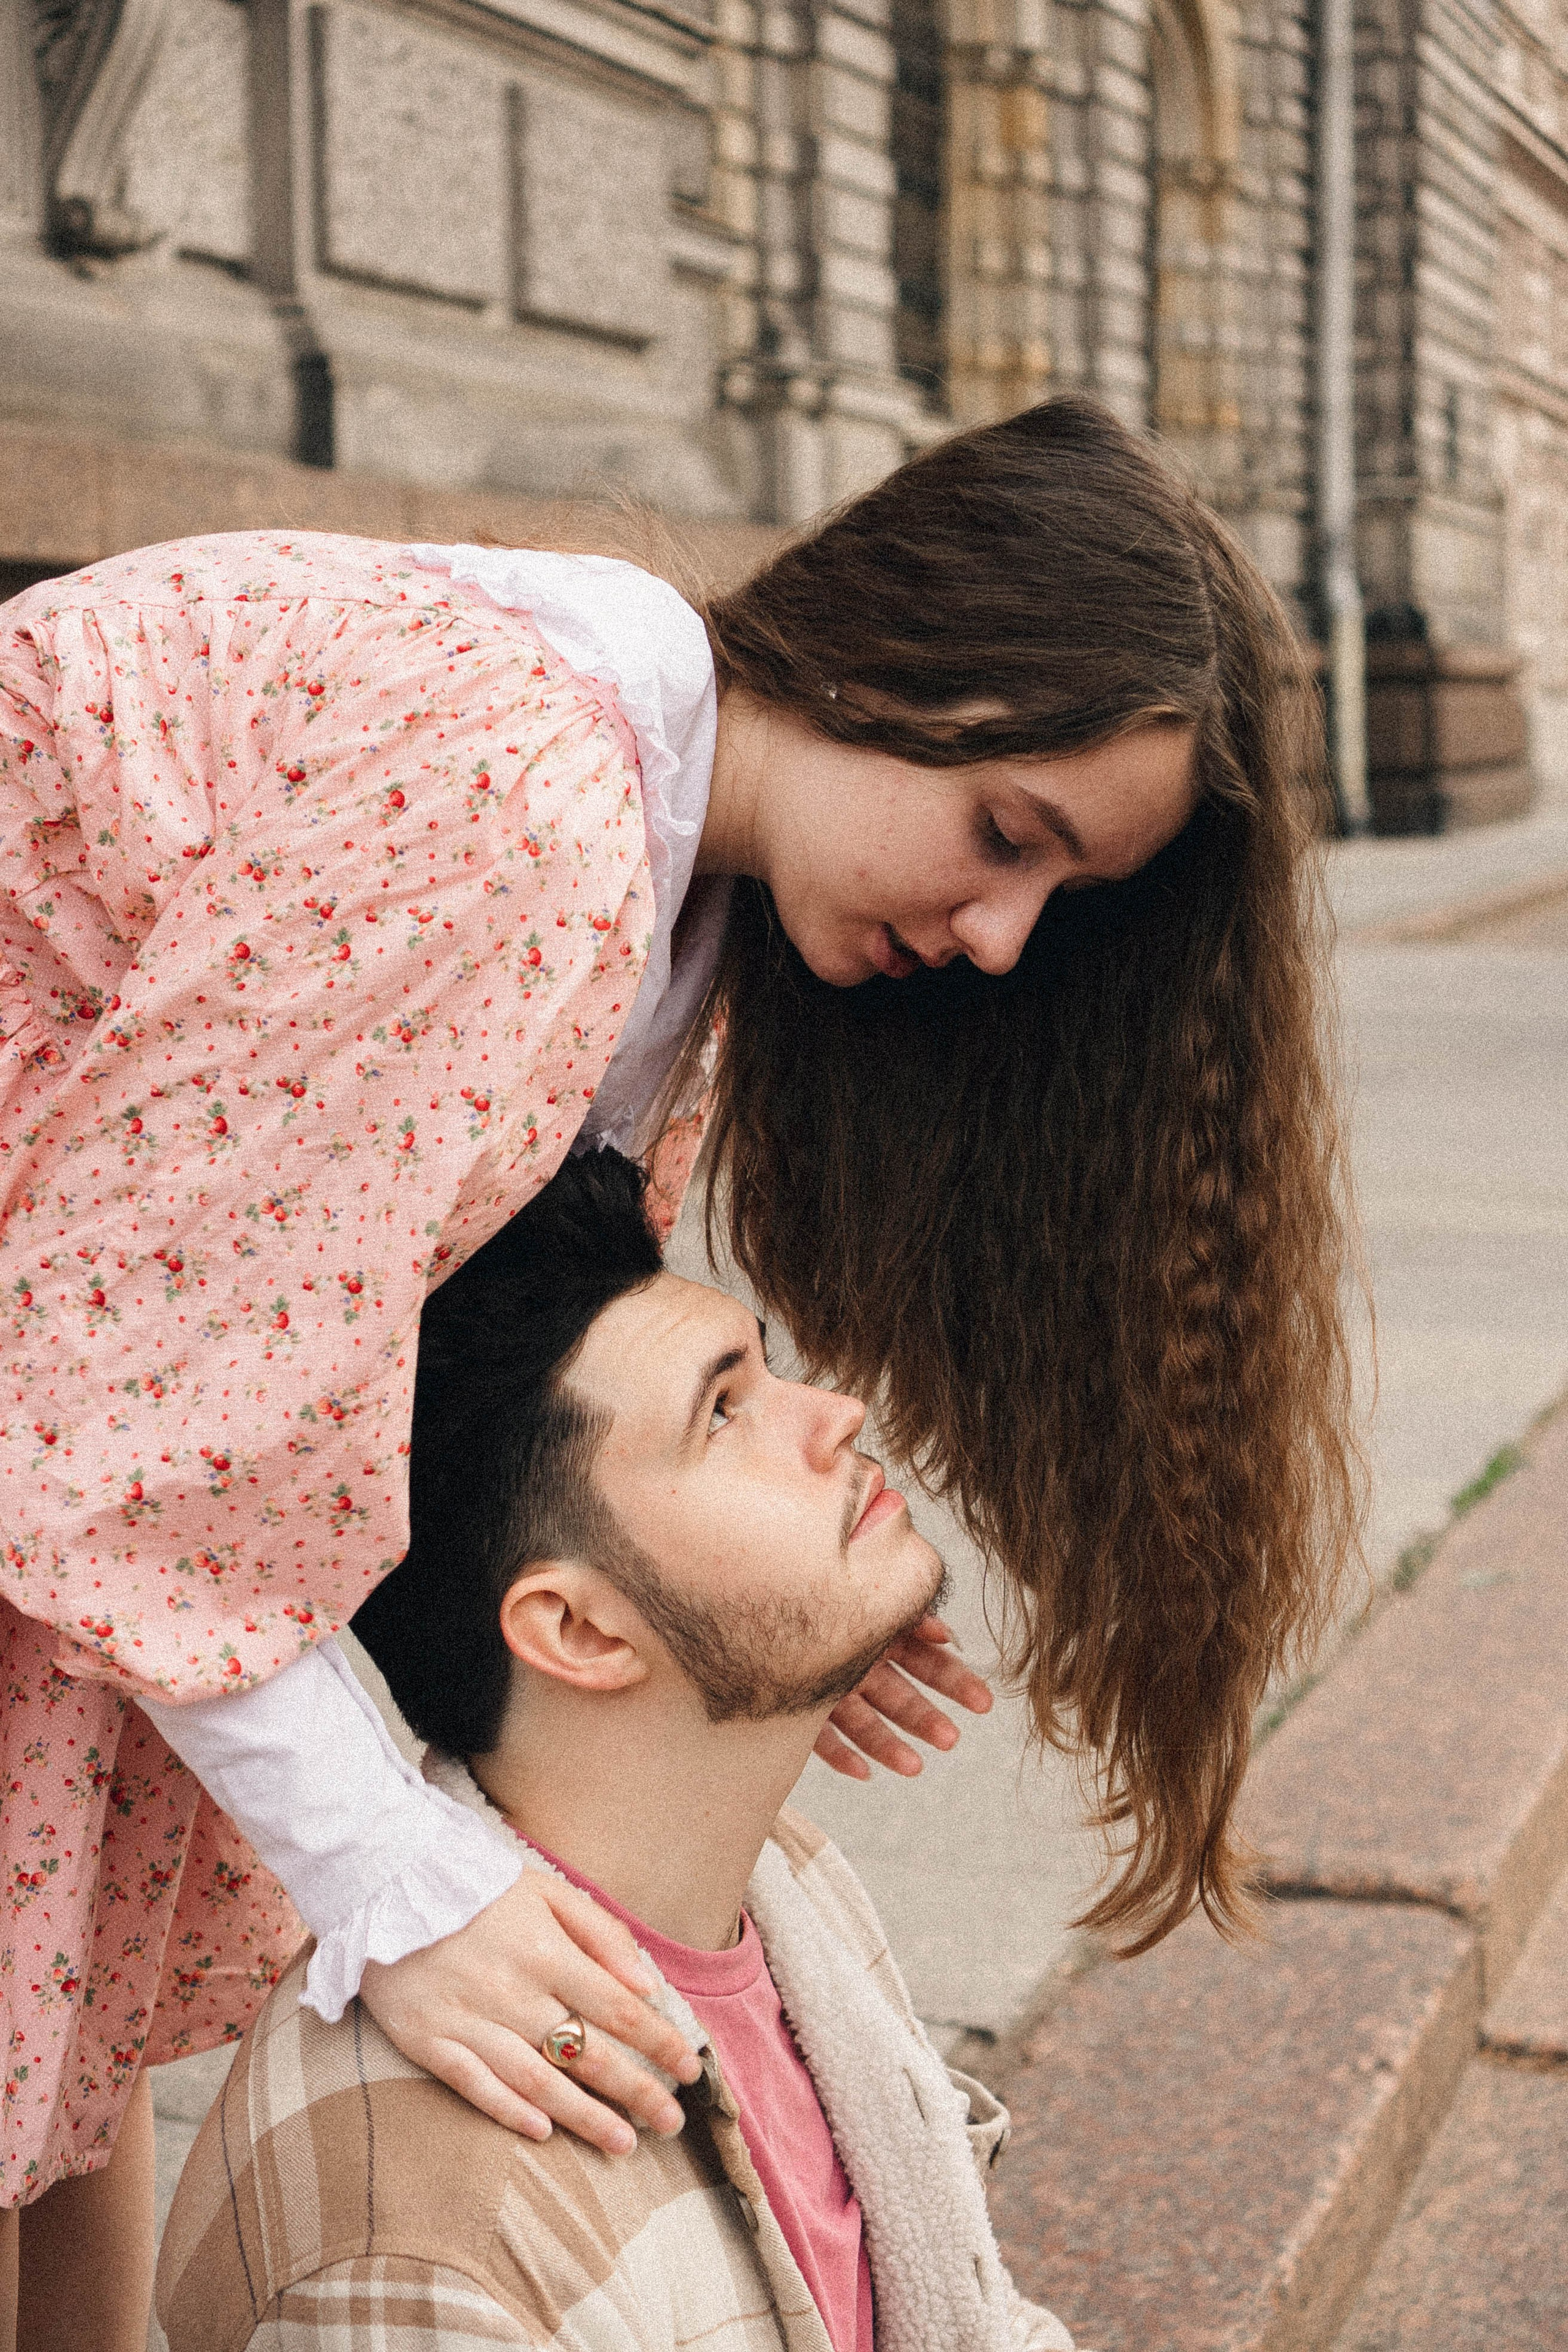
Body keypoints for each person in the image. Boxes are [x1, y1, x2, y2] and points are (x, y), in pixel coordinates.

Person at [0, 394, 1362, 2345]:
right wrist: (404, 1879)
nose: (996, 942)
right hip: (48, 1389)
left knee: (54, 2048)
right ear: (902, 651)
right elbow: (130, 1390)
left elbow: (372, 1346)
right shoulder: (524, 795)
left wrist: (732, 1594)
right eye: (1005, 839)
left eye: (1057, 903)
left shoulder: (674, 894)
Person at [156, 1145, 1074, 2352]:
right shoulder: (428, 2235)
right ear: (577, 1628)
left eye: (767, 1371)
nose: (832, 1413)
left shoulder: (780, 1890)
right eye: (724, 1410)